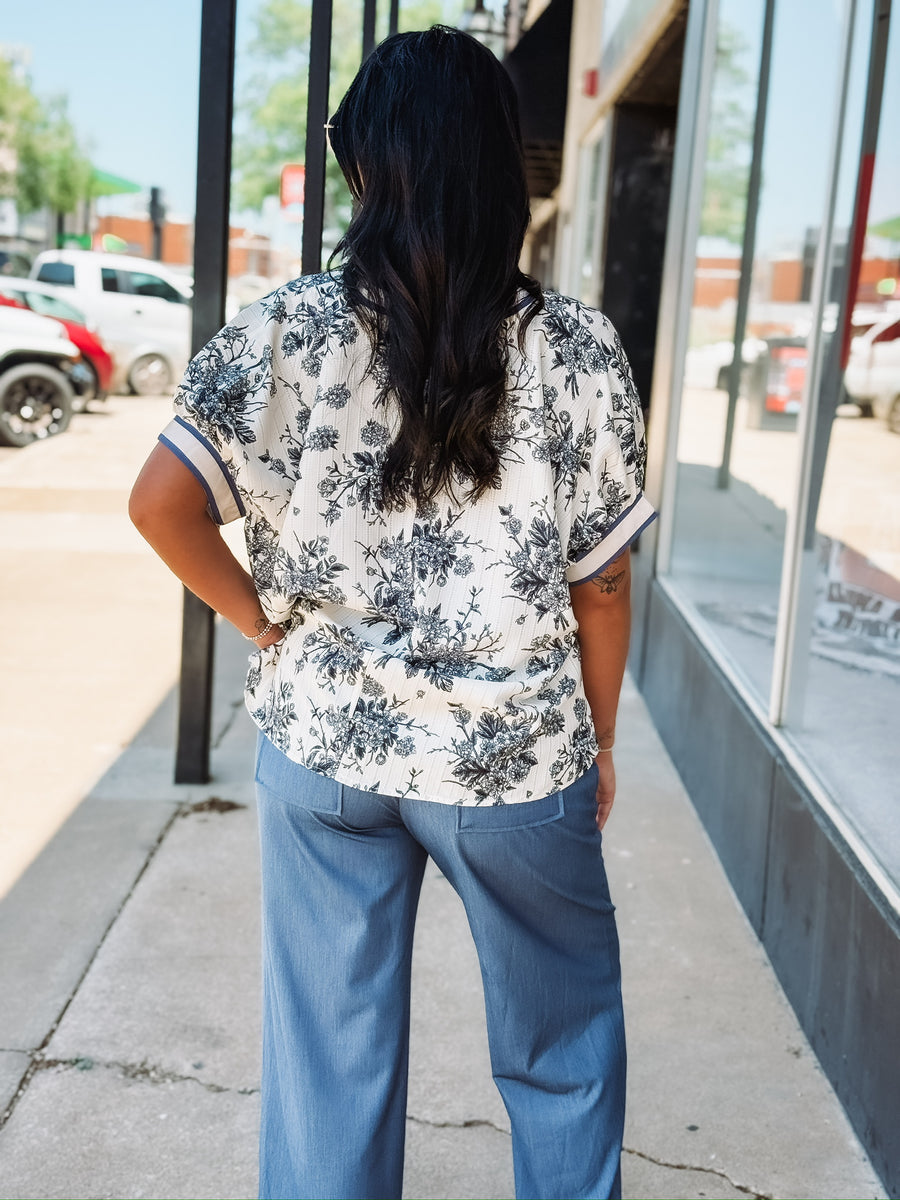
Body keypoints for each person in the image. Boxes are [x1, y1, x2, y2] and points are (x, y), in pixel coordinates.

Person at [129, 26, 656, 1200]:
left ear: (367, 167)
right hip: (514, 760)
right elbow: (603, 580)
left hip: (326, 748)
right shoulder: (579, 350)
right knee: (563, 1050)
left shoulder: (284, 331)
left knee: (329, 1058)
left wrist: (264, 626)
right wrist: (601, 737)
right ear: (499, 169)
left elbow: (161, 504)